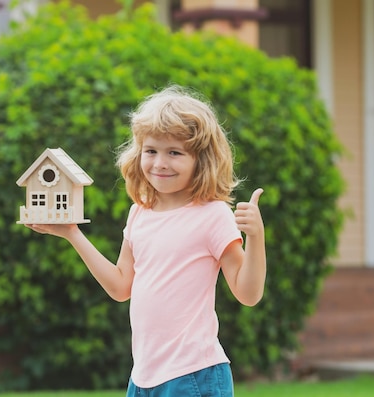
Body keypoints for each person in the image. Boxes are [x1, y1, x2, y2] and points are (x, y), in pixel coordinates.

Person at [25, 85, 266, 397]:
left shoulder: (213, 215)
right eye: (151, 151)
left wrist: (255, 239)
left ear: (201, 159)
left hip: (192, 375)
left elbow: (247, 294)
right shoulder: (139, 213)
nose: (159, 163)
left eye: (174, 153)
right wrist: (72, 233)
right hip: (143, 377)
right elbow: (121, 286)